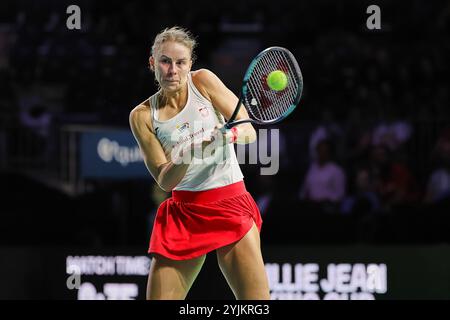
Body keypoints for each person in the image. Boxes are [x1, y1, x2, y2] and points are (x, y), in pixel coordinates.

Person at [129, 27, 270, 300]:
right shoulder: (142, 116)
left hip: (230, 204)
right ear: (152, 63)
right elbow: (165, 180)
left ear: (190, 63)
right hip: (184, 213)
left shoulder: (203, 81)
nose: (172, 70)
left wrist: (228, 135)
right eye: (165, 61)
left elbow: (249, 132)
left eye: (180, 62)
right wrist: (190, 153)